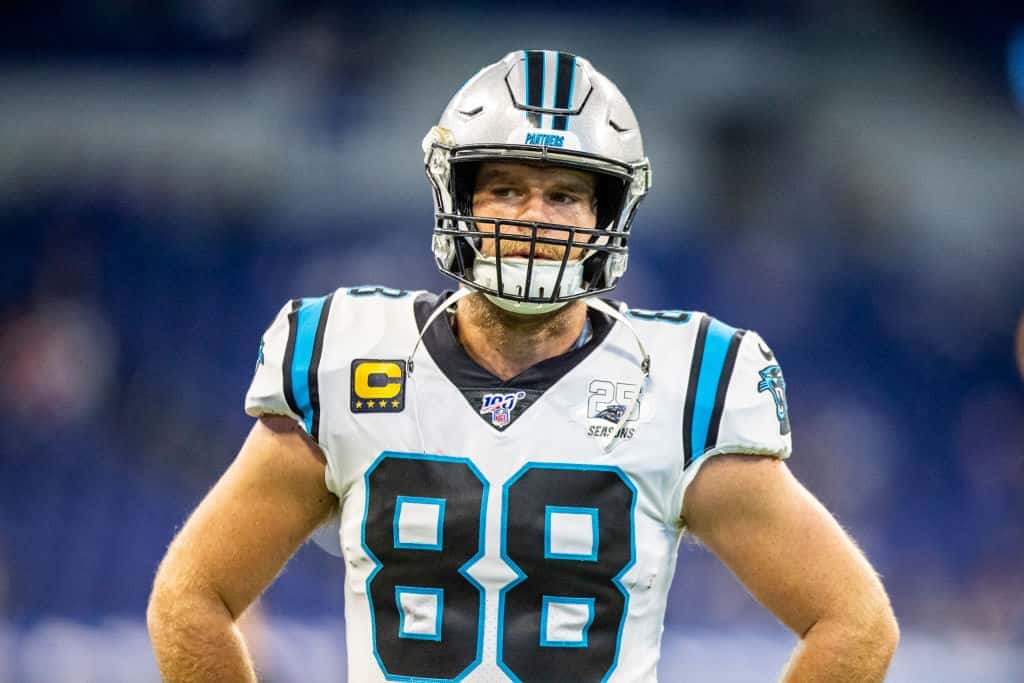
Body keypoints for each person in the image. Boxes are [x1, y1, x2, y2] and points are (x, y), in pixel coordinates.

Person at [147, 50, 898, 682]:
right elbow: (191, 594)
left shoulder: (683, 381)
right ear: (461, 201)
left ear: (607, 218)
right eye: (505, 188)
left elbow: (854, 622)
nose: (534, 214)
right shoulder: (345, 354)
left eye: (565, 194)